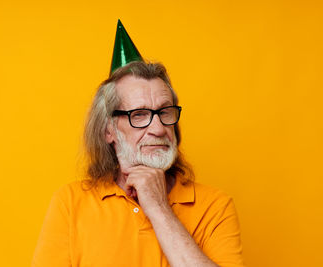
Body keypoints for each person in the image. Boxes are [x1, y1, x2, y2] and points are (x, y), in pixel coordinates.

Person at [32, 21, 244, 267]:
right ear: (109, 129)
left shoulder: (215, 206)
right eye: (140, 115)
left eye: (165, 112)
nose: (158, 128)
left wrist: (158, 207)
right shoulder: (70, 203)